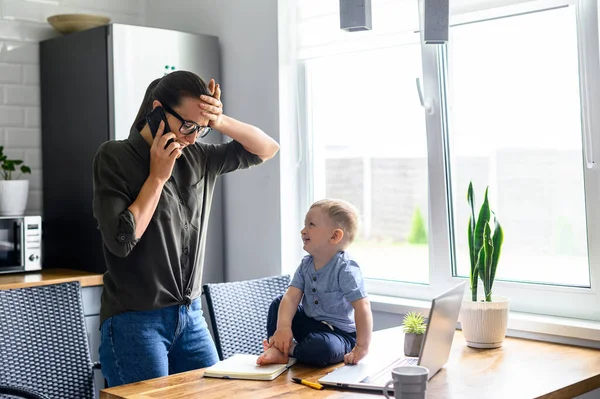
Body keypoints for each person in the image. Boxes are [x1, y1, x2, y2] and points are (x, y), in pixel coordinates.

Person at [92, 70, 279, 387]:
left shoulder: (200, 157)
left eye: (201, 129)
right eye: (187, 125)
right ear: (157, 109)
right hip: (134, 321)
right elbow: (121, 240)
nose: (193, 137)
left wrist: (219, 121)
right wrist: (157, 177)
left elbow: (267, 149)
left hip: (191, 317)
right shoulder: (114, 156)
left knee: (217, 395)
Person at [257, 199, 373, 367]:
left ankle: (290, 350)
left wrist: (361, 347)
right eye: (304, 225)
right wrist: (283, 328)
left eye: (311, 225)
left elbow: (362, 307)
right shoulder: (306, 265)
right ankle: (277, 348)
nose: (303, 231)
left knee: (322, 348)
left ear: (334, 236)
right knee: (279, 302)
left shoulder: (345, 269)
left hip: (339, 335)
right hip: (310, 324)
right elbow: (291, 298)